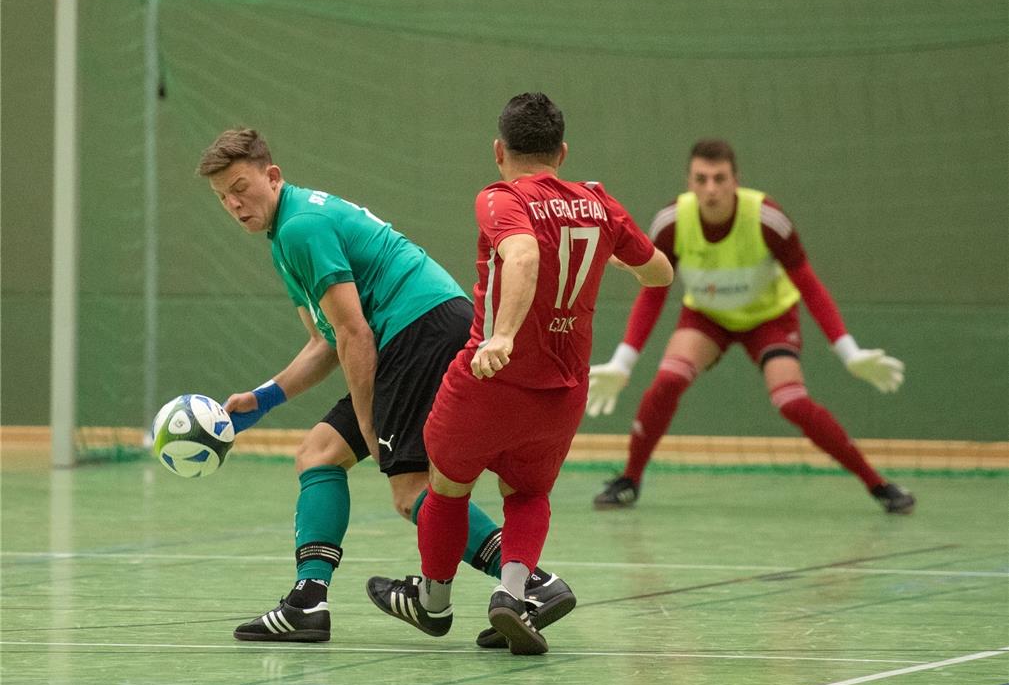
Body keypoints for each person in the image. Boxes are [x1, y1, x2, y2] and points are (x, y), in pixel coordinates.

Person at [196, 128, 577, 644]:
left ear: (273, 176)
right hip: (423, 329)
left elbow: (356, 333)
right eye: (223, 198)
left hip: (417, 332)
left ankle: (529, 582)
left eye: (241, 187)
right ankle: (309, 601)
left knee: (410, 488)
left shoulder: (301, 228)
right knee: (319, 453)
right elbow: (326, 341)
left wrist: (373, 424)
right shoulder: (288, 232)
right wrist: (264, 398)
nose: (235, 203)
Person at [366, 93, 674, 655]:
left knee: (447, 486)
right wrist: (612, 255)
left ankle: (433, 602)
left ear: (498, 150)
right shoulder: (600, 204)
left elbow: (525, 255)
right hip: (562, 389)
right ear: (562, 151)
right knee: (529, 493)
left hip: (490, 380)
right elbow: (660, 272)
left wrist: (503, 336)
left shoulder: (500, 198)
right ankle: (511, 594)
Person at [585, 138, 915, 514]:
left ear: (735, 180)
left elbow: (809, 284)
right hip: (708, 317)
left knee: (792, 401)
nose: (711, 188)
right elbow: (654, 289)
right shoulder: (672, 222)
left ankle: (878, 484)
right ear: (689, 182)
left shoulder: (768, 219)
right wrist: (623, 362)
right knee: (668, 380)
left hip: (769, 318)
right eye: (701, 179)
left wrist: (849, 351)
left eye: (719, 179)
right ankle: (629, 480)